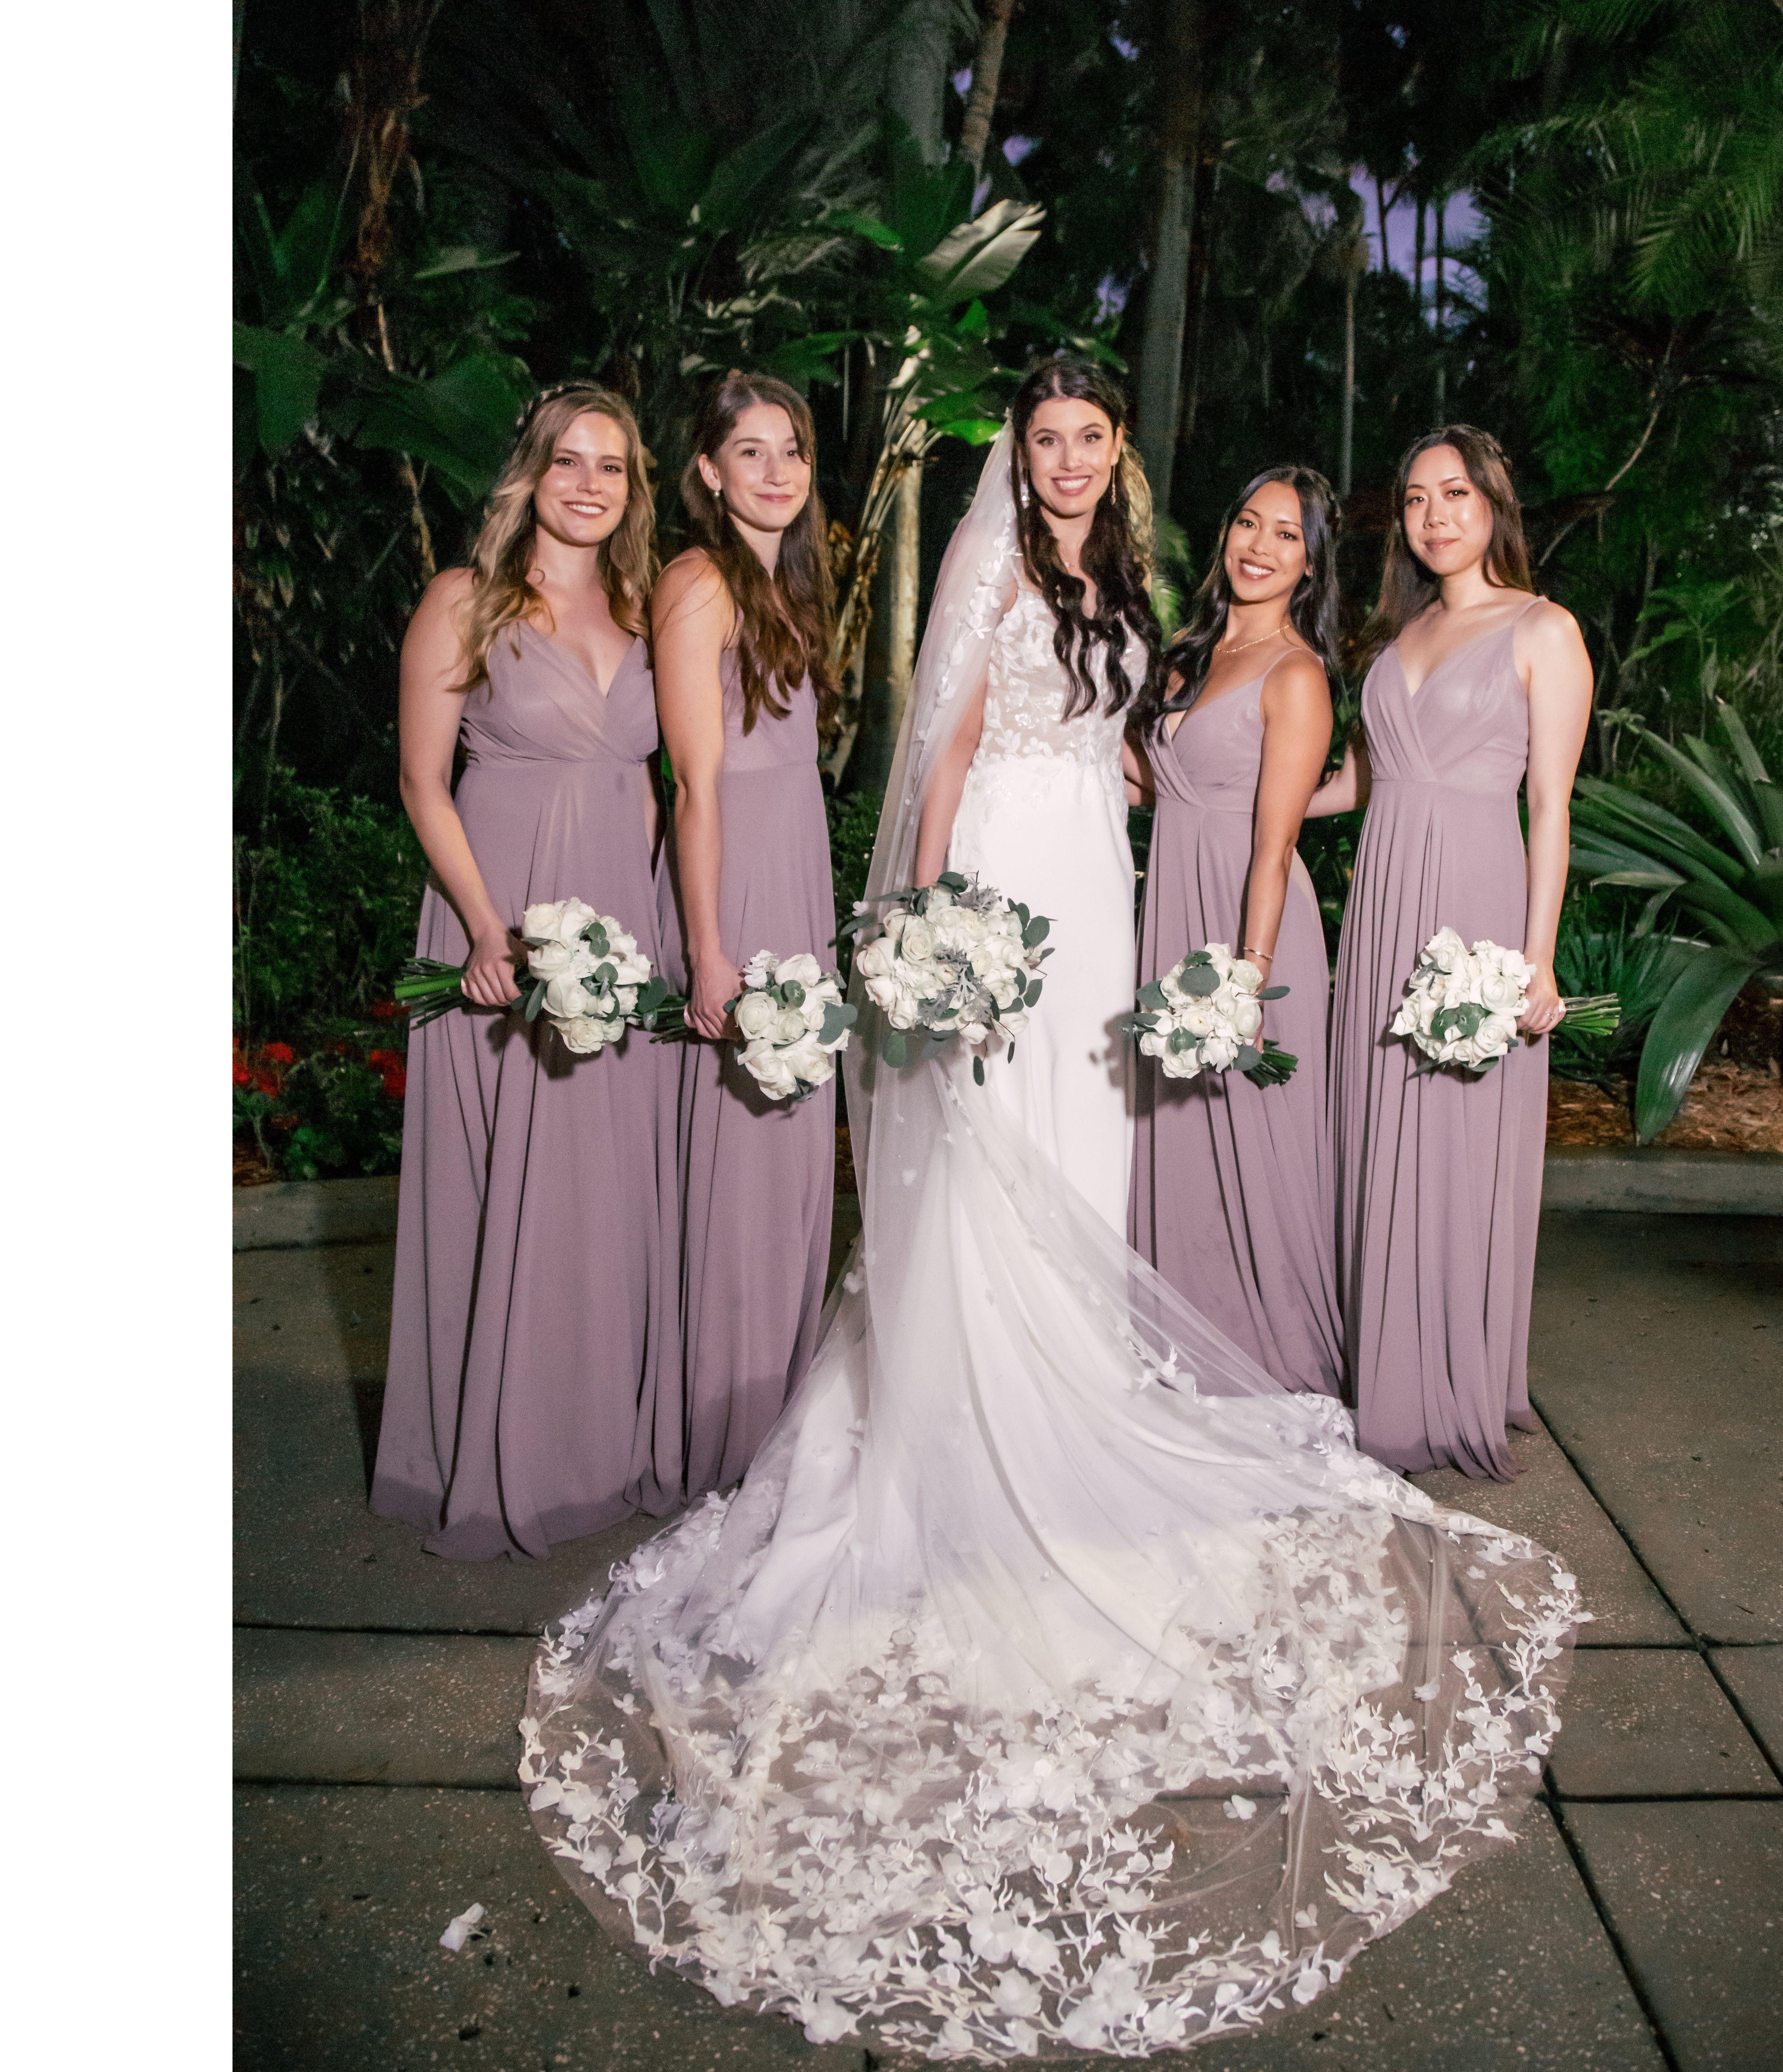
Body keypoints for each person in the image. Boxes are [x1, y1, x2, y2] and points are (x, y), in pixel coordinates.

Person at [521, 363, 1581, 2059]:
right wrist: (934, 918)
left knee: (1089, 1151)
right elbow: (943, 749)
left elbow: (1179, 761)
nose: (1070, 460)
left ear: (1118, 460)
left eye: (1093, 439)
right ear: (1018, 458)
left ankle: (1078, 1390)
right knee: (982, 1152)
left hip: (1103, 881)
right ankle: (967, 1416)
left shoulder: (1127, 585)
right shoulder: (996, 562)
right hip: (1008, 876)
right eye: (1046, 441)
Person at [373, 384, 672, 1561]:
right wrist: (485, 929)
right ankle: (482, 1451)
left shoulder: (645, 609)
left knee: (601, 1190)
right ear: (530, 474)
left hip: (612, 930)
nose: (590, 484)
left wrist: (644, 926)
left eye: (612, 466)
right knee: (495, 1186)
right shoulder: (465, 599)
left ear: (632, 488)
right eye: (568, 461)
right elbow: (420, 781)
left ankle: (586, 1445)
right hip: (495, 914)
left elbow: (645, 782)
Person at [1308, 425, 1594, 1479]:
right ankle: (1384, 1364)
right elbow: (1360, 782)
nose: (1434, 515)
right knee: (1375, 1129)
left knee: (1458, 1141)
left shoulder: (1542, 628)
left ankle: (1449, 1377)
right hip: (1382, 909)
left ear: (1492, 503)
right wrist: (1235, 797)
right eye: (1417, 498)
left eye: (1455, 493)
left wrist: (1535, 957)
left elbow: (1550, 805)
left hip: (1474, 905)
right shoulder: (1400, 634)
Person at [632, 372, 841, 1505]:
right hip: (738, 883)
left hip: (793, 868)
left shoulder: (785, 585)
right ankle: (725, 1429)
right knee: (739, 1155)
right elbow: (693, 785)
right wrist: (709, 948)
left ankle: (774, 1407)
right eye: (749, 451)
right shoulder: (698, 580)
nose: (776, 470)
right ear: (707, 471)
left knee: (790, 1154)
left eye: (791, 449)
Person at [1125, 466, 1345, 1395]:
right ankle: (1177, 1339)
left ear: (1311, 563)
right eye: (1250, 523)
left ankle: (1268, 1351)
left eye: (1287, 535)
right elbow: (1148, 782)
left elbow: (1276, 842)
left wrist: (1249, 978)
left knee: (1253, 1141)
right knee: (1175, 1136)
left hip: (1250, 921)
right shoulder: (1188, 653)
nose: (1260, 546)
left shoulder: (1295, 674)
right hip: (1174, 904)